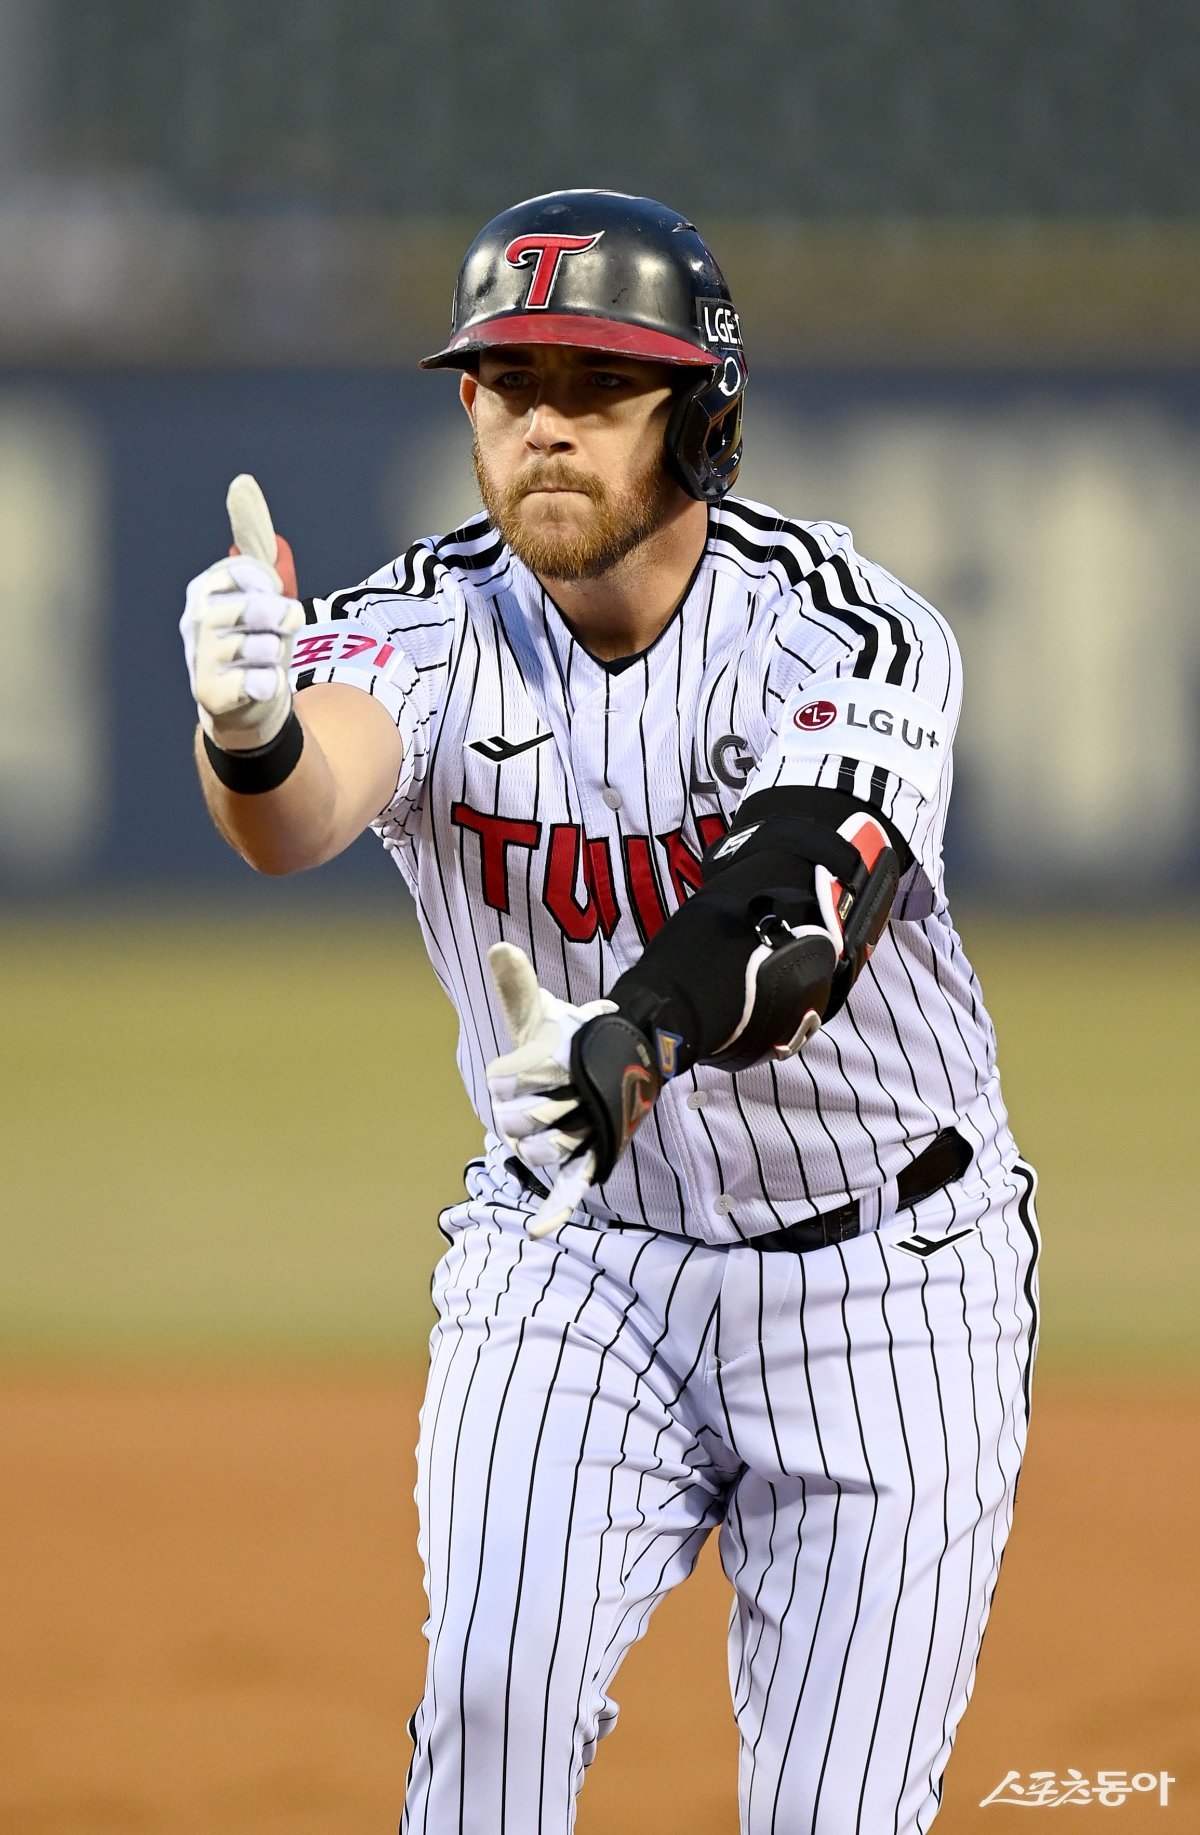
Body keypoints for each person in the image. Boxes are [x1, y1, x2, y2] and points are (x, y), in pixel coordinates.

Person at [180, 189, 1039, 1835]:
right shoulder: (425, 619)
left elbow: (804, 903)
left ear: (701, 418)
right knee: (487, 1723)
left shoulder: (847, 628)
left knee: (837, 1812)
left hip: (892, 1283)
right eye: (510, 384)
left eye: (598, 384)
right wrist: (250, 732)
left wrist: (632, 1036)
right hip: (572, 1263)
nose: (546, 427)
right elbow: (299, 814)